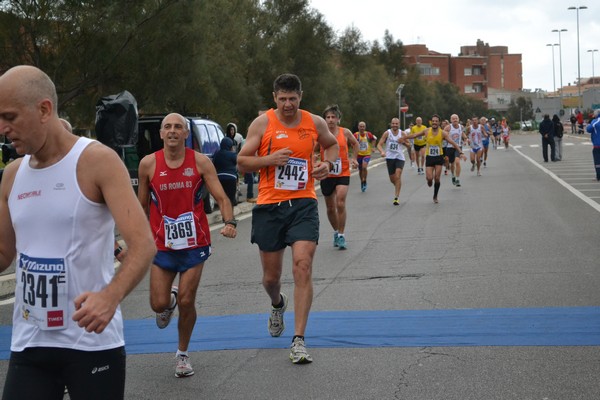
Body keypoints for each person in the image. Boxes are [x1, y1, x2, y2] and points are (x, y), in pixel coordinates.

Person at [0, 65, 156, 400]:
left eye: (9, 116)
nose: (3, 128)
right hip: (30, 341)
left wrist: (109, 297)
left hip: (91, 342)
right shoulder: (12, 175)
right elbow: (3, 254)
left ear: (44, 109)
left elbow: (143, 244)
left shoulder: (96, 161)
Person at [237, 73, 339, 364]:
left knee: (303, 266)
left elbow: (330, 144)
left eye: (292, 99)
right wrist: (269, 160)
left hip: (303, 204)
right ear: (274, 98)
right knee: (271, 278)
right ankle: (277, 303)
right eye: (282, 99)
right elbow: (242, 161)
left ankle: (298, 340)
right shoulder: (263, 123)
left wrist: (327, 163)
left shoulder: (314, 122)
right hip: (270, 206)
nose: (288, 104)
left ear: (300, 97)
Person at [137, 113, 237, 378]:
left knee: (187, 299)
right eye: (167, 127)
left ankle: (182, 354)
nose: (172, 131)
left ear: (185, 134)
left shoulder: (201, 162)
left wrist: (230, 222)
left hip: (195, 244)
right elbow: (141, 207)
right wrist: (136, 238)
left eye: (178, 127)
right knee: (158, 305)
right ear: (160, 134)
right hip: (162, 245)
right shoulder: (148, 164)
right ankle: (168, 301)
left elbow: (221, 196)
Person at [318, 105, 358, 250]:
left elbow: (355, 144)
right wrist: (314, 162)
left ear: (338, 119)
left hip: (343, 172)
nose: (330, 120)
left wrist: (354, 159)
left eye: (333, 117)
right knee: (330, 207)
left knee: (340, 202)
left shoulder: (345, 132)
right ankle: (336, 231)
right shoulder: (321, 134)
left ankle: (341, 235)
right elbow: (311, 148)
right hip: (327, 173)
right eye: (327, 117)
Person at [405, 114, 466, 203]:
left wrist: (460, 152)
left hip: (438, 157)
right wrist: (403, 137)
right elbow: (414, 135)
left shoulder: (442, 133)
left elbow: (453, 142)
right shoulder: (426, 131)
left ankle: (435, 196)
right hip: (429, 157)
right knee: (430, 179)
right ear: (431, 122)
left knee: (437, 178)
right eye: (433, 121)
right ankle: (429, 182)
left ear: (439, 123)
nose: (434, 122)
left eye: (436, 121)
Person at [377, 117, 407, 205]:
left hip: (399, 157)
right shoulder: (387, 133)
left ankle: (396, 197)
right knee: (392, 179)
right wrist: (382, 151)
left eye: (396, 124)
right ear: (391, 124)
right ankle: (398, 186)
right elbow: (379, 144)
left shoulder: (402, 133)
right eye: (393, 124)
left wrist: (403, 142)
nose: (394, 125)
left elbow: (409, 145)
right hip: (390, 158)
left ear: (399, 124)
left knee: (397, 175)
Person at [213, 136, 239, 206]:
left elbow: (213, 164)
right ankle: (230, 216)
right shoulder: (232, 154)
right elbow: (238, 163)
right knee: (230, 199)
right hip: (231, 178)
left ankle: (224, 216)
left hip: (219, 179)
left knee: (223, 199)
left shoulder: (217, 154)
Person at [353, 121, 377, 192]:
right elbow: (352, 143)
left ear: (365, 127)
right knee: (360, 170)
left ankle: (365, 180)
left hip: (367, 154)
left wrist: (373, 147)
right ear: (358, 127)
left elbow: (374, 139)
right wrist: (355, 145)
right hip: (359, 155)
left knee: (364, 167)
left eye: (363, 126)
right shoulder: (355, 135)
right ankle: (362, 182)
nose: (362, 128)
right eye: (360, 126)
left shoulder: (368, 134)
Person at [444, 114, 467, 187]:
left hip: (458, 147)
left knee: (457, 162)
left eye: (456, 118)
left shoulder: (461, 127)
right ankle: (453, 175)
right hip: (450, 147)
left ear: (458, 119)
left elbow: (462, 134)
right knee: (452, 164)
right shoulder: (448, 127)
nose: (455, 120)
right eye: (453, 119)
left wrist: (466, 139)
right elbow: (443, 135)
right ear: (451, 120)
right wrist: (446, 135)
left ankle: (457, 179)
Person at [585, 109, 600, 181]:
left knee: (597, 162)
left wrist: (588, 125)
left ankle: (598, 176)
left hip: (597, 145)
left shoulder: (595, 121)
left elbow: (589, 129)